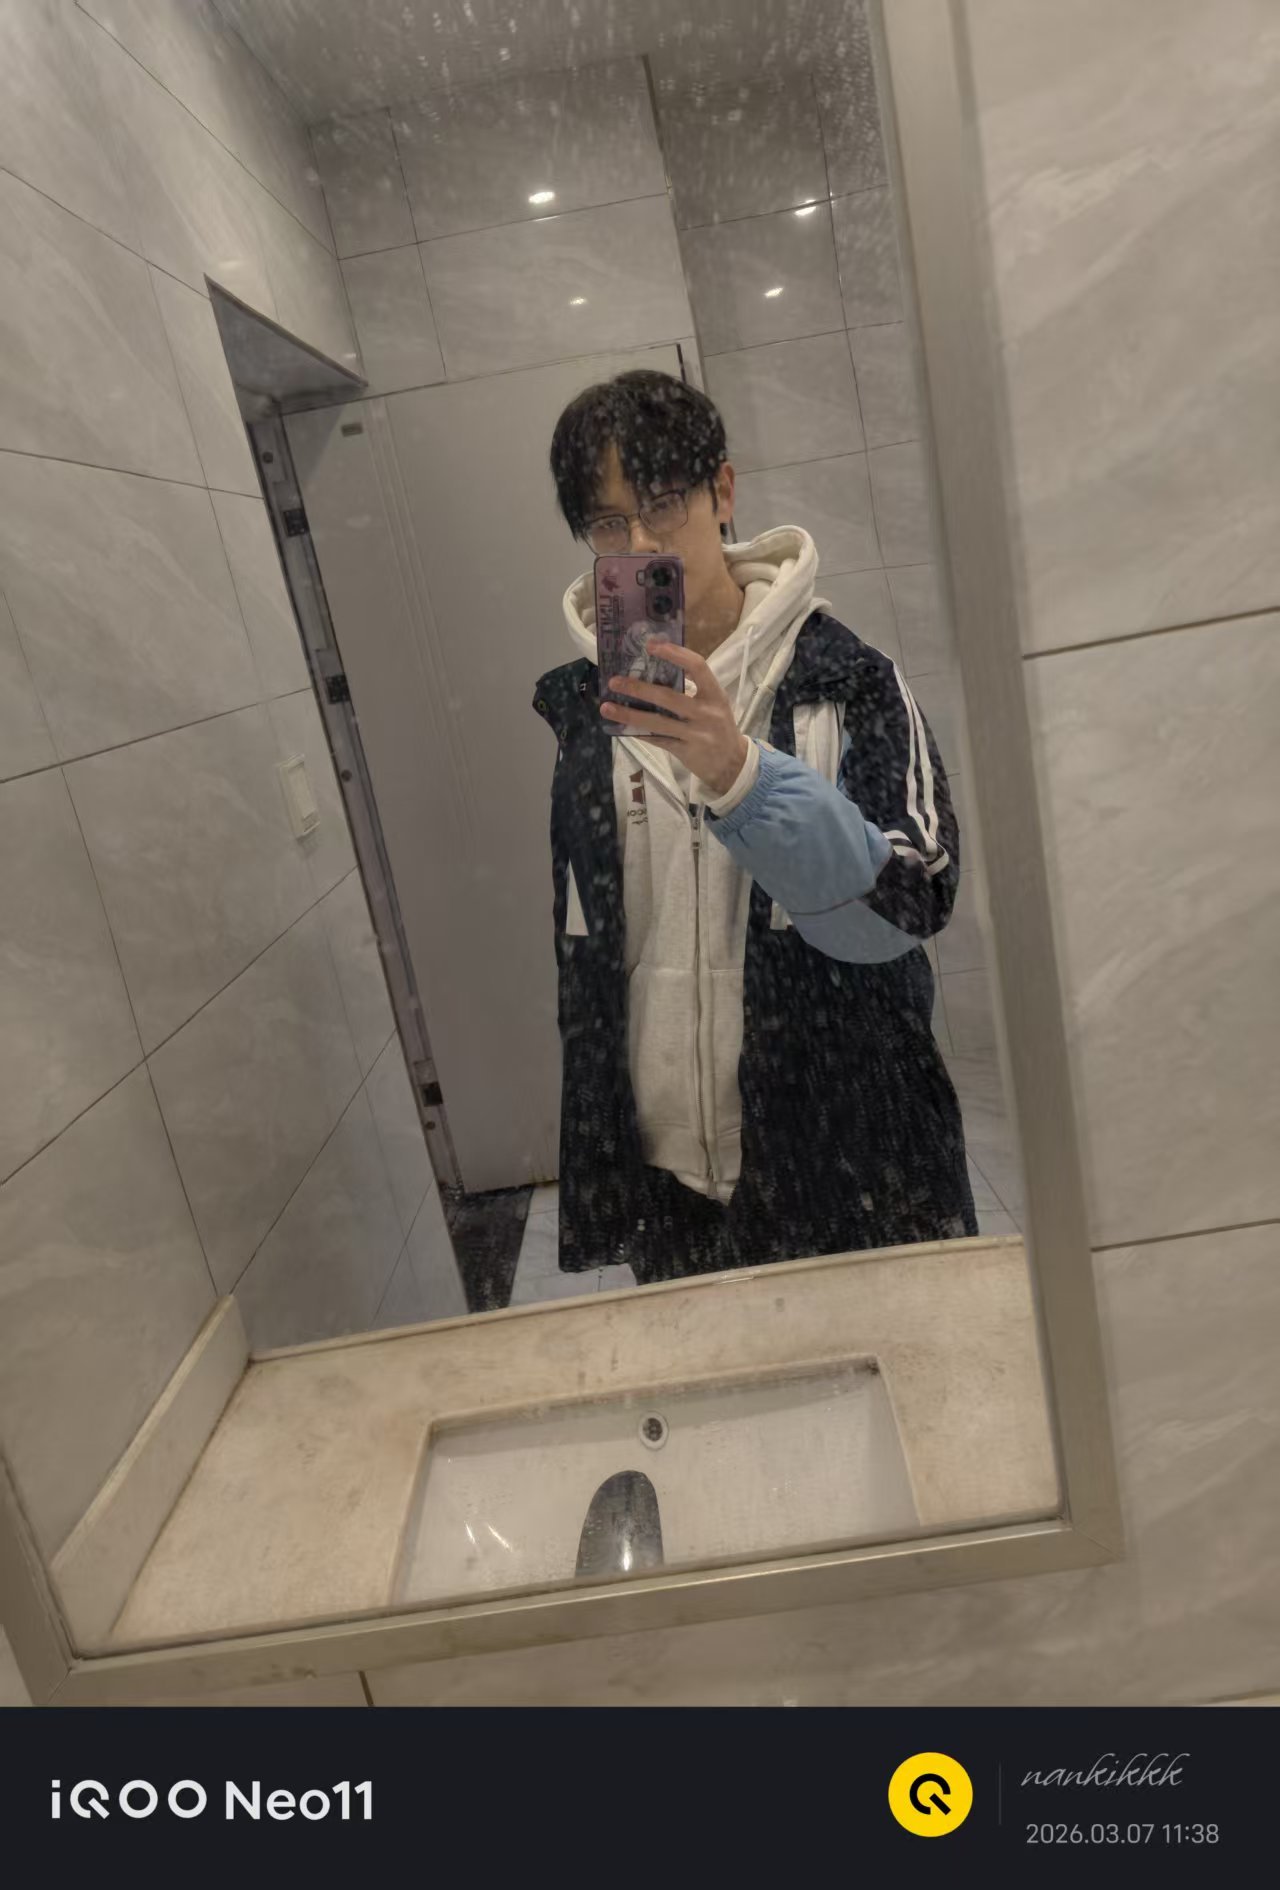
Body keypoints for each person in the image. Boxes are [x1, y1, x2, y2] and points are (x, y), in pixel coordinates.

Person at [535, 368, 975, 1284]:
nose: (642, 544)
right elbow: (589, 949)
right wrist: (605, 1155)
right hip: (671, 1187)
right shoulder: (586, 716)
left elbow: (915, 897)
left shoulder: (845, 680)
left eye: (664, 504)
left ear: (723, 493)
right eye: (610, 524)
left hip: (844, 1160)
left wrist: (741, 776)